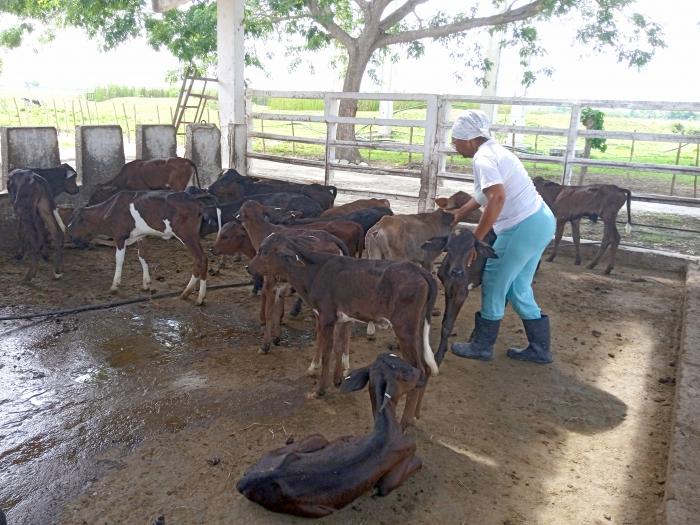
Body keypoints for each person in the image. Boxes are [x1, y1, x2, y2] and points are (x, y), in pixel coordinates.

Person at [447, 109, 556, 363]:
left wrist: (477, 238)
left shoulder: (482, 159)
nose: (454, 146)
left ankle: (482, 346)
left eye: (456, 140)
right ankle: (540, 349)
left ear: (471, 139)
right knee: (518, 287)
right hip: (540, 221)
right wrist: (459, 213)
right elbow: (486, 194)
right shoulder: (495, 152)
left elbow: (497, 197)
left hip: (522, 227)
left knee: (495, 280)